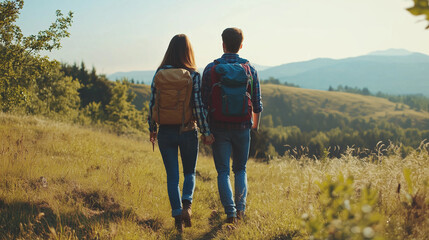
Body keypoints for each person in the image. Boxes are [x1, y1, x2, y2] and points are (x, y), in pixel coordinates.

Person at [148, 34, 214, 232]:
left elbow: (152, 104)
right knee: (189, 172)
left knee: (172, 177)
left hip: (165, 131)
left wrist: (152, 128)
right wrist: (206, 131)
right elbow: (198, 107)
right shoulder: (193, 75)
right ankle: (187, 206)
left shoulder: (159, 73)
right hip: (187, 130)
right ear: (188, 51)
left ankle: (177, 216)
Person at [201, 27, 263, 223]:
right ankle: (241, 210)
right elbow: (257, 101)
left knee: (223, 172)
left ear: (223, 44)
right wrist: (254, 126)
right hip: (243, 126)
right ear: (241, 45)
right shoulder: (250, 69)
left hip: (218, 127)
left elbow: (203, 102)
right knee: (240, 169)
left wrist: (206, 130)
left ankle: (230, 214)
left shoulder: (211, 69)